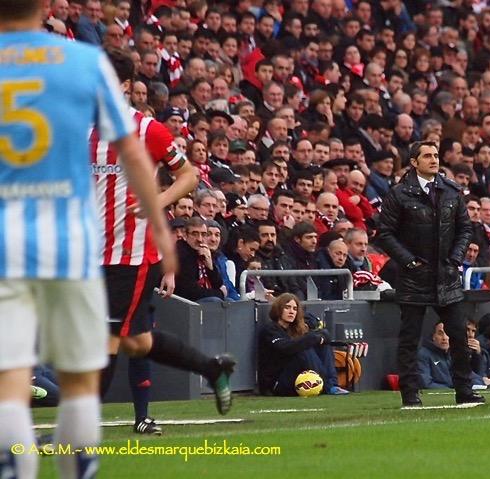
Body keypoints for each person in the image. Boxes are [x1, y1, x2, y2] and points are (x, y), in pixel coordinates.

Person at [0, 3, 175, 478]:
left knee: (11, 371)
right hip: (71, 239)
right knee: (81, 373)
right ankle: (77, 466)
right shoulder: (82, 63)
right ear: (43, 8)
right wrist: (159, 224)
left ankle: (13, 465)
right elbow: (134, 152)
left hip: (6, 239)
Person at [93, 50, 235, 438]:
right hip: (89, 253)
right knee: (137, 341)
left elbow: (188, 175)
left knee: (102, 338)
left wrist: (158, 200)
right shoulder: (79, 130)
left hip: (131, 254)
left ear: (123, 86)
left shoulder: (147, 130)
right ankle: (211, 367)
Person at [377, 141, 480, 407]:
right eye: (427, 156)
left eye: (436, 155)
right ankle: (410, 394)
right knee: (410, 338)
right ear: (414, 161)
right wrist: (409, 262)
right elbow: (385, 234)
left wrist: (456, 258)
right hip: (414, 277)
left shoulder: (451, 191)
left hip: (446, 274)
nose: (434, 160)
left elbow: (465, 229)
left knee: (459, 334)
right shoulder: (399, 194)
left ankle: (464, 391)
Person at [257, 293, 349, 396]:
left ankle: (332, 385)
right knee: (303, 348)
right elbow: (286, 347)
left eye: (295, 309)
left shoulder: (296, 328)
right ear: (278, 309)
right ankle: (326, 385)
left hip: (298, 377)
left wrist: (318, 338)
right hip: (276, 382)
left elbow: (325, 335)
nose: (291, 311)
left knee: (323, 345)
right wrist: (311, 338)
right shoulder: (270, 329)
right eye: (287, 308)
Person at [416, 322, 453, 389]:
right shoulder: (423, 354)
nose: (444, 338)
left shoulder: (455, 353)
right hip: (436, 395)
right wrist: (451, 390)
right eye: (440, 334)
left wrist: (477, 385)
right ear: (433, 337)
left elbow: (469, 376)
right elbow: (425, 383)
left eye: (447, 333)